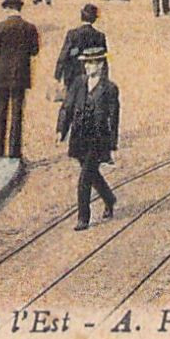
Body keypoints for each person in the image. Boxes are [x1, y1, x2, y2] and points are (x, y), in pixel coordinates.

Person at [58, 43, 119, 231]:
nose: (87, 67)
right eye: (86, 63)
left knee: (85, 177)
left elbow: (114, 117)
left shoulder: (109, 88)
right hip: (79, 137)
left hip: (97, 139)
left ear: (100, 65)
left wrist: (111, 144)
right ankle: (109, 198)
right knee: (92, 175)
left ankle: (83, 218)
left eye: (91, 63)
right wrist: (61, 129)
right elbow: (67, 107)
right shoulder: (78, 83)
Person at [0, 0, 40, 160]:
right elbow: (34, 50)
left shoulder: (0, 26)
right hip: (21, 74)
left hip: (2, 74)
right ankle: (14, 151)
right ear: (19, 8)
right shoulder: (30, 27)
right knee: (17, 112)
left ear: (8, 8)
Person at [53, 4, 106, 98]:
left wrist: (57, 76)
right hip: (92, 76)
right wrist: (104, 79)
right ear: (94, 19)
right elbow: (103, 59)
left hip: (73, 75)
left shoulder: (73, 34)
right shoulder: (100, 36)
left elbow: (64, 56)